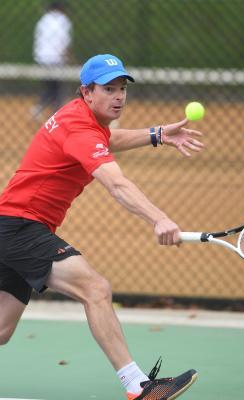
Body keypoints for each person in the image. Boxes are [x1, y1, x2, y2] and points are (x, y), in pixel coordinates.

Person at [0, 54, 205, 400]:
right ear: (87, 92)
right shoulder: (79, 128)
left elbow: (108, 139)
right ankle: (138, 386)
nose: (119, 96)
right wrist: (160, 218)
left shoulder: (80, 118)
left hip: (14, 225)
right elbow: (117, 184)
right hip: (21, 226)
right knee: (95, 288)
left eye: (122, 88)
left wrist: (156, 134)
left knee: (2, 328)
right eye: (109, 89)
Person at [32, 1, 73, 119]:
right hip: (57, 59)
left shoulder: (43, 20)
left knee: (47, 86)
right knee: (59, 89)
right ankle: (56, 115)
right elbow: (64, 42)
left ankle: (38, 110)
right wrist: (68, 58)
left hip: (42, 58)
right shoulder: (63, 20)